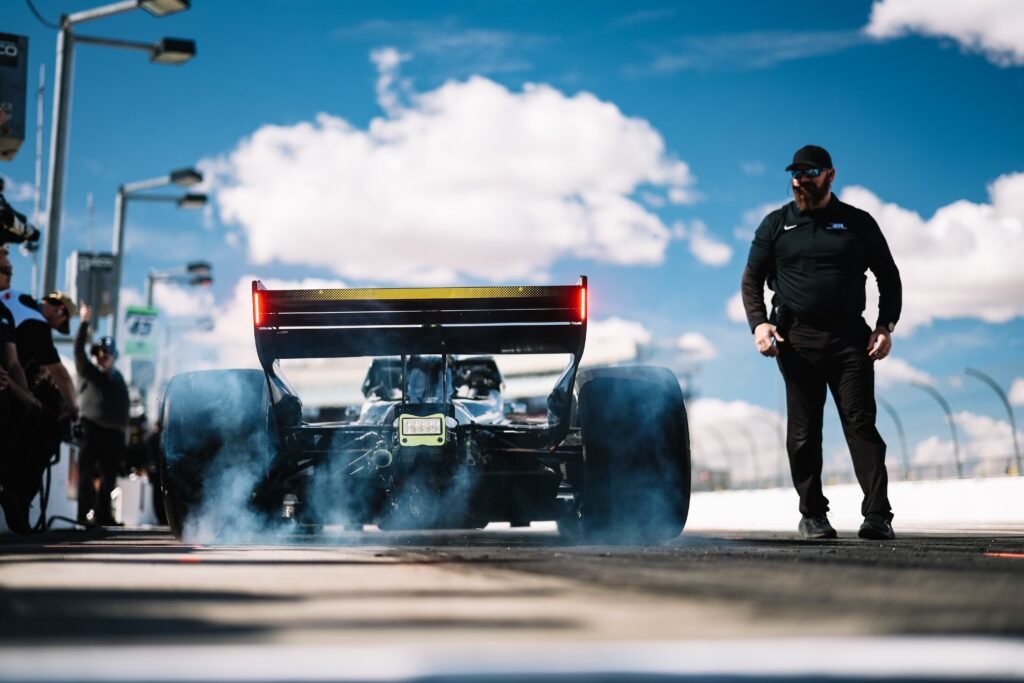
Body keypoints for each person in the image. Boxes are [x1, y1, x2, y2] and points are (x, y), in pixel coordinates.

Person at [740, 145, 902, 541]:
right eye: (795, 174)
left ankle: (877, 515)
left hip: (850, 341)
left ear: (830, 174)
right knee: (804, 433)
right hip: (796, 341)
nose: (800, 180)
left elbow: (888, 275)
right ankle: (813, 515)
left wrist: (885, 326)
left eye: (810, 172)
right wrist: (759, 325)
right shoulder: (776, 225)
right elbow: (751, 279)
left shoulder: (858, 222)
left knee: (861, 425)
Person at [74, 303, 130, 526]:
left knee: (109, 476)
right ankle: (83, 514)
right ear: (96, 354)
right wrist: (84, 323)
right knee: (86, 473)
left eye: (108, 353)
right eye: (101, 352)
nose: (105, 356)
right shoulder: (88, 370)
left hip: (114, 433)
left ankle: (104, 515)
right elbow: (78, 350)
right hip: (92, 428)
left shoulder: (118, 377)